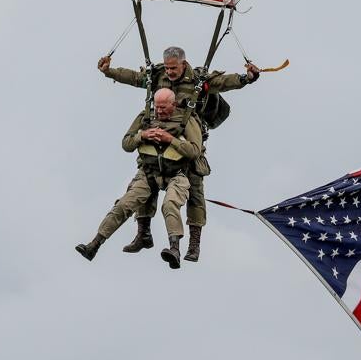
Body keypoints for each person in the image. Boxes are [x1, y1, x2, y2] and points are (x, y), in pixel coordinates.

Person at [97, 46, 260, 262]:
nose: (170, 72)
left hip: (187, 139)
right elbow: (135, 78)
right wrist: (109, 71)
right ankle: (143, 234)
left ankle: (194, 245)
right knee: (146, 178)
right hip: (157, 139)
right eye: (167, 67)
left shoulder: (198, 79)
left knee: (195, 191)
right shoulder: (158, 76)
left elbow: (224, 82)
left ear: (183, 63)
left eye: (173, 68)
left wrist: (247, 77)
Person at [76, 88, 203, 269]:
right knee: (123, 205)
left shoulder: (187, 120)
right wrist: (142, 136)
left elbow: (194, 152)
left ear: (173, 105)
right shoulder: (145, 117)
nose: (159, 111)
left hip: (177, 174)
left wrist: (170, 139)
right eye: (157, 107)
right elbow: (126, 143)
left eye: (163, 107)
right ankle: (94, 245)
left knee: (170, 204)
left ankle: (175, 248)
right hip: (149, 172)